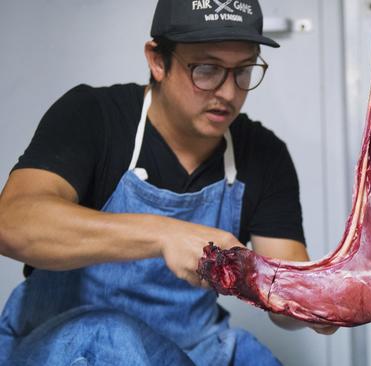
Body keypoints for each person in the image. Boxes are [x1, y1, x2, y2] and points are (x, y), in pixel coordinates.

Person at [0, 0, 336, 364]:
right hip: (69, 346)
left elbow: (284, 292)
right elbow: (12, 223)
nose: (228, 92)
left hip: (193, 350)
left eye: (244, 70)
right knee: (110, 338)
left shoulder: (263, 154)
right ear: (158, 61)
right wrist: (164, 235)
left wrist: (327, 296)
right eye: (207, 69)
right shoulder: (93, 116)